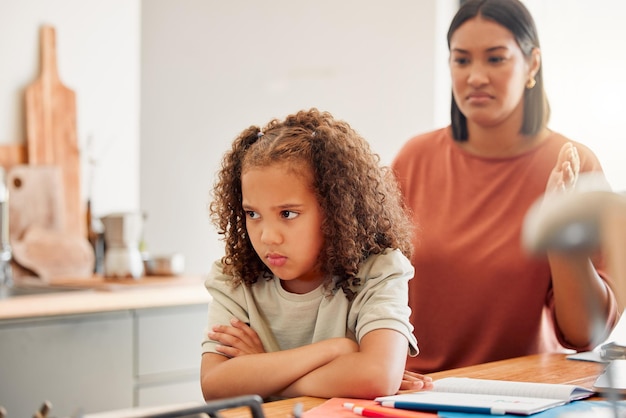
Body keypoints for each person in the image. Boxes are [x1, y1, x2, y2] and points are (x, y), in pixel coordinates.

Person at [392, 0, 620, 374]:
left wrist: (561, 238)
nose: (476, 76)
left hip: (523, 393)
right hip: (416, 390)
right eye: (462, 60)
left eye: (495, 59)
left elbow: (584, 335)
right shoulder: (414, 159)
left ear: (532, 63)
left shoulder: (575, 165)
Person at [200, 108, 433, 400]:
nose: (267, 236)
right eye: (252, 213)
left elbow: (377, 377)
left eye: (287, 213)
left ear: (335, 210)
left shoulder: (379, 270)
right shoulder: (233, 277)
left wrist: (263, 375)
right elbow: (214, 386)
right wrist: (336, 350)